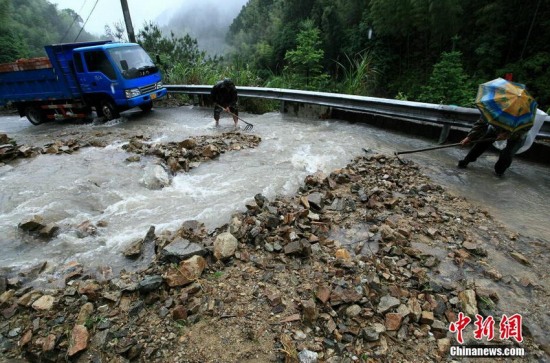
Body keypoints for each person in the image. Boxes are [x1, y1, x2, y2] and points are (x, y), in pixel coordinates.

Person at [457, 116, 530, 177]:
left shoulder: (526, 114)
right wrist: (469, 137)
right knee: (482, 143)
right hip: (495, 129)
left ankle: (499, 172)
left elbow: (525, 128)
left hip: (517, 135)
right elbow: (481, 123)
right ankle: (466, 160)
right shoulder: (494, 107)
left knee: (507, 153)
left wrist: (508, 134)